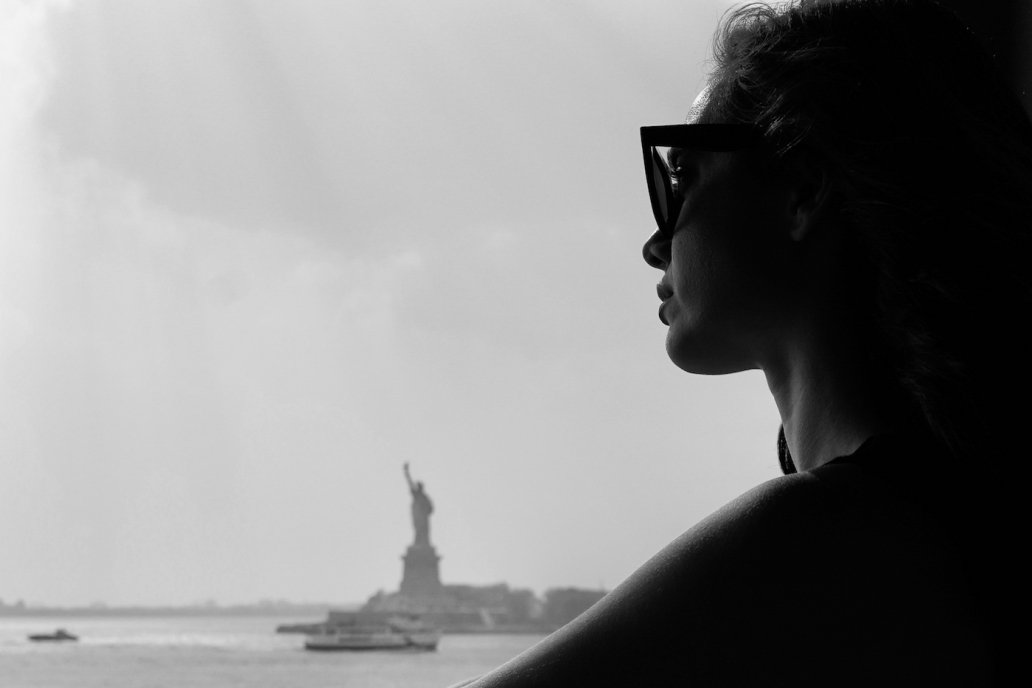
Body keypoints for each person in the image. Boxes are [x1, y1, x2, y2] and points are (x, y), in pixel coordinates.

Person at [450, 0, 1030, 685]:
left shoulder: (830, 538)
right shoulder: (954, 520)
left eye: (681, 179)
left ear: (801, 189)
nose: (655, 244)